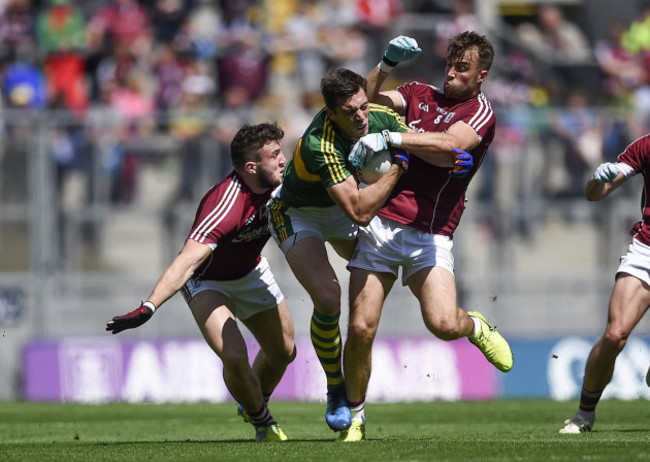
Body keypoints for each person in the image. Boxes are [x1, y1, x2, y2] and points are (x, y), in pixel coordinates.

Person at [267, 67, 473, 437]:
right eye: (350, 112)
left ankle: (459, 318)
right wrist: (397, 167)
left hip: (344, 206)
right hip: (301, 214)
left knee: (408, 282)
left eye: (363, 106)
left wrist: (453, 161)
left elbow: (423, 144)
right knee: (329, 297)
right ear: (331, 114)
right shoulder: (320, 142)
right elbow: (361, 211)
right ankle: (335, 389)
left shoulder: (379, 116)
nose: (361, 117)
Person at [340, 32, 514, 442]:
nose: (452, 73)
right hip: (381, 225)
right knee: (361, 328)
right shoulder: (418, 93)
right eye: (450, 65)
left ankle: (474, 326)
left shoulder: (481, 111)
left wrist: (392, 138)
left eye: (463, 68)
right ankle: (356, 417)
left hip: (431, 235)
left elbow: (451, 147)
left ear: (482, 76)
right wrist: (384, 65)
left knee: (442, 323)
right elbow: (359, 104)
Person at [105, 123, 296, 443]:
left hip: (250, 272)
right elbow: (187, 261)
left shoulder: (285, 183)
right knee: (235, 356)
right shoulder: (225, 204)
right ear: (251, 167)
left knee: (284, 351)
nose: (282, 160)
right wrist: (149, 306)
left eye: (281, 152)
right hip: (207, 281)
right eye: (274, 155)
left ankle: (252, 399)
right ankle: (263, 423)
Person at [559, 135, 650, 434]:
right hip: (647, 249)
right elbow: (595, 194)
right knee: (615, 334)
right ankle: (584, 415)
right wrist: (598, 179)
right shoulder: (646, 145)